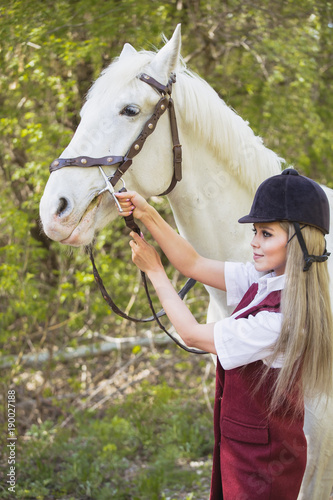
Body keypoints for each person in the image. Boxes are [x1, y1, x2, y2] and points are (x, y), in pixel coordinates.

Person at [115, 168, 333, 500]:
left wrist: (155, 271)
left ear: (299, 240)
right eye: (256, 232)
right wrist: (147, 213)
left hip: (262, 462)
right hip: (243, 447)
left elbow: (190, 334)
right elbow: (193, 264)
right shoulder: (266, 281)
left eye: (266, 234)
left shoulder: (281, 319)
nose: (254, 243)